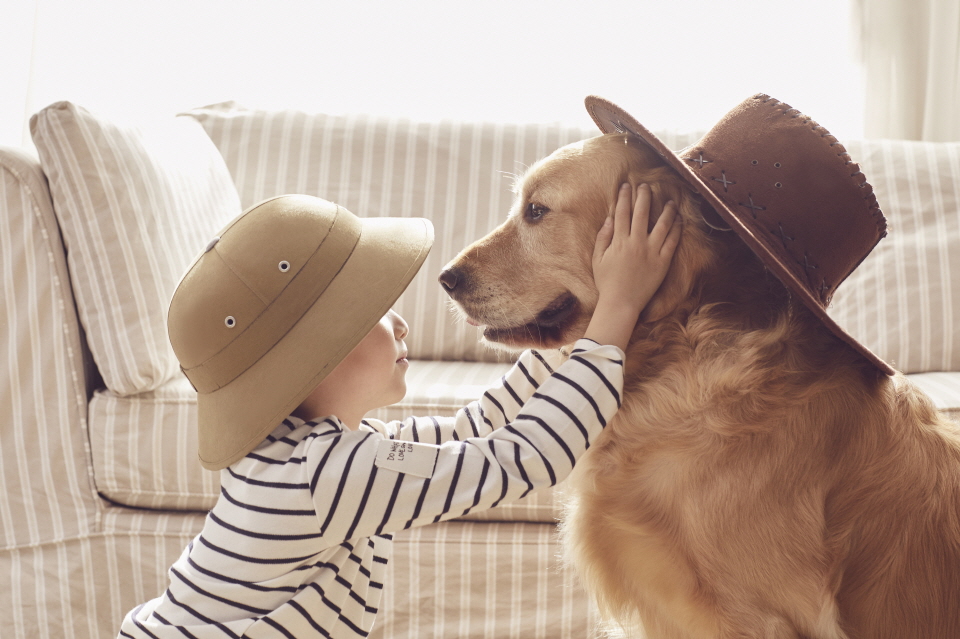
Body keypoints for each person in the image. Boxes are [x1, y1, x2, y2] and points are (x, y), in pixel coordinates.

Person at [117, 182, 681, 639]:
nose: (401, 322)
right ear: (316, 357)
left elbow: (471, 432)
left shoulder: (311, 452)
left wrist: (560, 331)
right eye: (376, 312)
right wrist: (617, 310)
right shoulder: (329, 476)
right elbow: (521, 458)